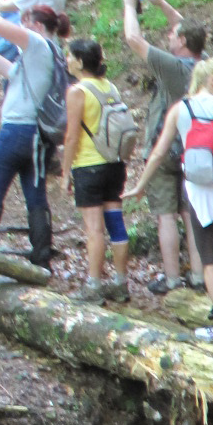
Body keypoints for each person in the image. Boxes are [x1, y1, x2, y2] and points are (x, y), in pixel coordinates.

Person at [126, 59, 213, 347]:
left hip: (199, 187)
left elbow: (159, 152)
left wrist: (140, 185)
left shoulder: (178, 109)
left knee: (209, 256)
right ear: (210, 80)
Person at [122, 0, 213, 295]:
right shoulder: (207, 67)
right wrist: (161, 2)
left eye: (173, 36)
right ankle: (200, 276)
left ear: (183, 42)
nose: (169, 36)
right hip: (195, 152)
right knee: (190, 214)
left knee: (166, 217)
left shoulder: (172, 66)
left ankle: (172, 279)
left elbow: (134, 39)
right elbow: (185, 24)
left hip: (164, 148)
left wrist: (130, 5)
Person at [0, 2, 71, 269]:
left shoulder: (35, 42)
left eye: (25, 23)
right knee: (35, 196)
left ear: (35, 25)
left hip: (17, 131)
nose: (22, 27)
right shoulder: (51, 52)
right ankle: (41, 256)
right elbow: (11, 73)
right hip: (38, 136)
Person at [59, 38, 131, 304]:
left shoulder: (78, 91)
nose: (67, 60)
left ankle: (94, 285)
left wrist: (66, 172)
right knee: (115, 223)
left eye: (69, 56)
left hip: (89, 166)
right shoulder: (109, 86)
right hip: (114, 164)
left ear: (79, 61)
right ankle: (121, 283)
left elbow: (71, 137)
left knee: (94, 229)